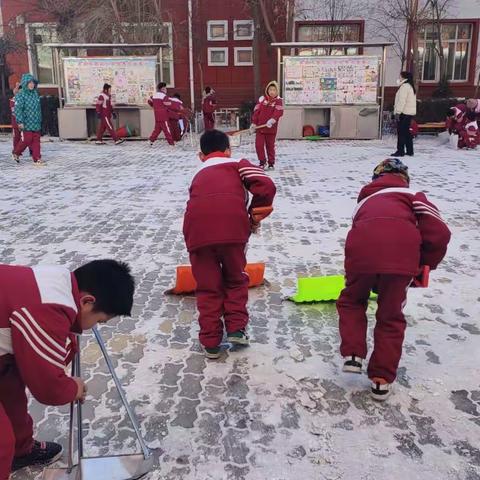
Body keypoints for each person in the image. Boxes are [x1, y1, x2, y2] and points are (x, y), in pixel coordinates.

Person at [0, 259, 135, 480]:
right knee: (1, 442)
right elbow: (46, 387)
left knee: (9, 384)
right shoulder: (48, 308)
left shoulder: (60, 281)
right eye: (99, 320)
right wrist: (72, 388)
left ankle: (21, 450)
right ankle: (11, 449)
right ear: (87, 302)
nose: (95, 326)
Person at [337, 159, 451, 401]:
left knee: (352, 300)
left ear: (375, 179)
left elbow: (360, 231)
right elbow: (439, 232)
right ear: (404, 178)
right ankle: (381, 380)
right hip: (401, 256)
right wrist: (425, 264)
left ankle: (353, 355)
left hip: (362, 253)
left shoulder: (364, 200)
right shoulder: (412, 195)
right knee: (390, 315)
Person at [183, 130, 276, 359]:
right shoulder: (237, 163)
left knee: (208, 287)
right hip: (233, 229)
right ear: (228, 151)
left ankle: (211, 343)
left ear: (200, 155)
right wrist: (255, 214)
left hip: (197, 233)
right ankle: (236, 328)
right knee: (235, 279)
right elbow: (266, 184)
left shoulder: (197, 173)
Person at [11, 74, 44, 166]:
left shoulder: (35, 94)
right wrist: (20, 122)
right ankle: (16, 152)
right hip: (26, 122)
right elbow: (18, 109)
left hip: (36, 122)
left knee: (36, 141)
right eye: (29, 83)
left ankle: (37, 158)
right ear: (25, 84)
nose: (31, 85)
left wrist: (39, 119)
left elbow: (38, 108)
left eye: (33, 83)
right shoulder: (20, 95)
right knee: (27, 140)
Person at [250, 81, 284, 170]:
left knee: (270, 146)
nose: (272, 92)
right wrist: (253, 123)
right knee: (258, 145)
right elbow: (256, 112)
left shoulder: (278, 101)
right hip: (260, 128)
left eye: (274, 90)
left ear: (277, 91)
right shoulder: (262, 100)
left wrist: (272, 120)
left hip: (270, 129)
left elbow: (278, 112)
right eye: (270, 90)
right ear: (267, 90)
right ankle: (262, 162)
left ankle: (271, 163)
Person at [391, 71, 417, 157]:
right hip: (408, 113)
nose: (399, 78)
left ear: (404, 77)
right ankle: (410, 151)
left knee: (401, 132)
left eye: (400, 76)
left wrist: (398, 112)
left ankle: (400, 151)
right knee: (406, 132)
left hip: (404, 113)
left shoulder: (404, 87)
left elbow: (401, 101)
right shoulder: (409, 86)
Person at [148, 82, 175, 146]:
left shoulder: (154, 95)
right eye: (165, 88)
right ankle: (171, 144)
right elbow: (167, 103)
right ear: (162, 88)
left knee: (157, 130)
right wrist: (172, 104)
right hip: (163, 116)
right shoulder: (164, 96)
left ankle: (151, 140)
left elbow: (149, 101)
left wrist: (154, 106)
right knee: (167, 130)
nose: (166, 89)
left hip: (157, 115)